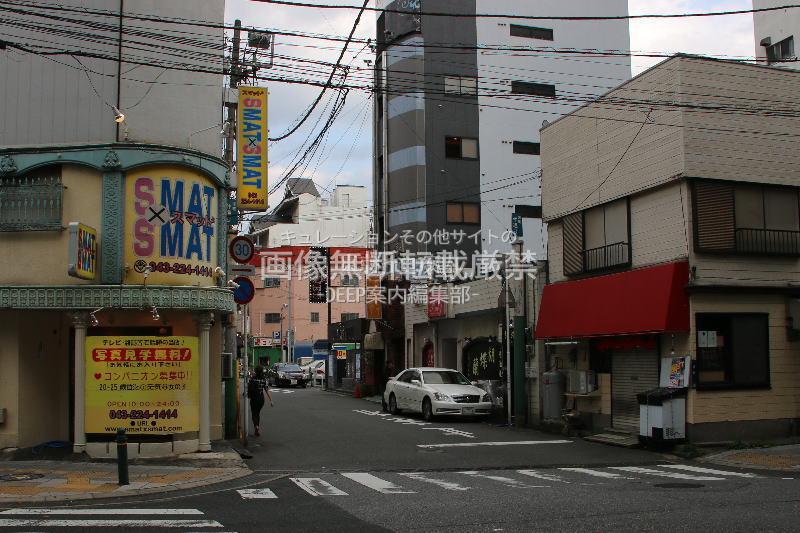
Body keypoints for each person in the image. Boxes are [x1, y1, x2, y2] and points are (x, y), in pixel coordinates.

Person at [247, 365, 273, 437]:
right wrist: (271, 400)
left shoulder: (252, 379)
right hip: (261, 399)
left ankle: (256, 426)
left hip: (254, 398)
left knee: (254, 413)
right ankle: (257, 427)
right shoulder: (263, 379)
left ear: (255, 371)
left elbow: (249, 388)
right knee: (257, 413)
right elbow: (267, 390)